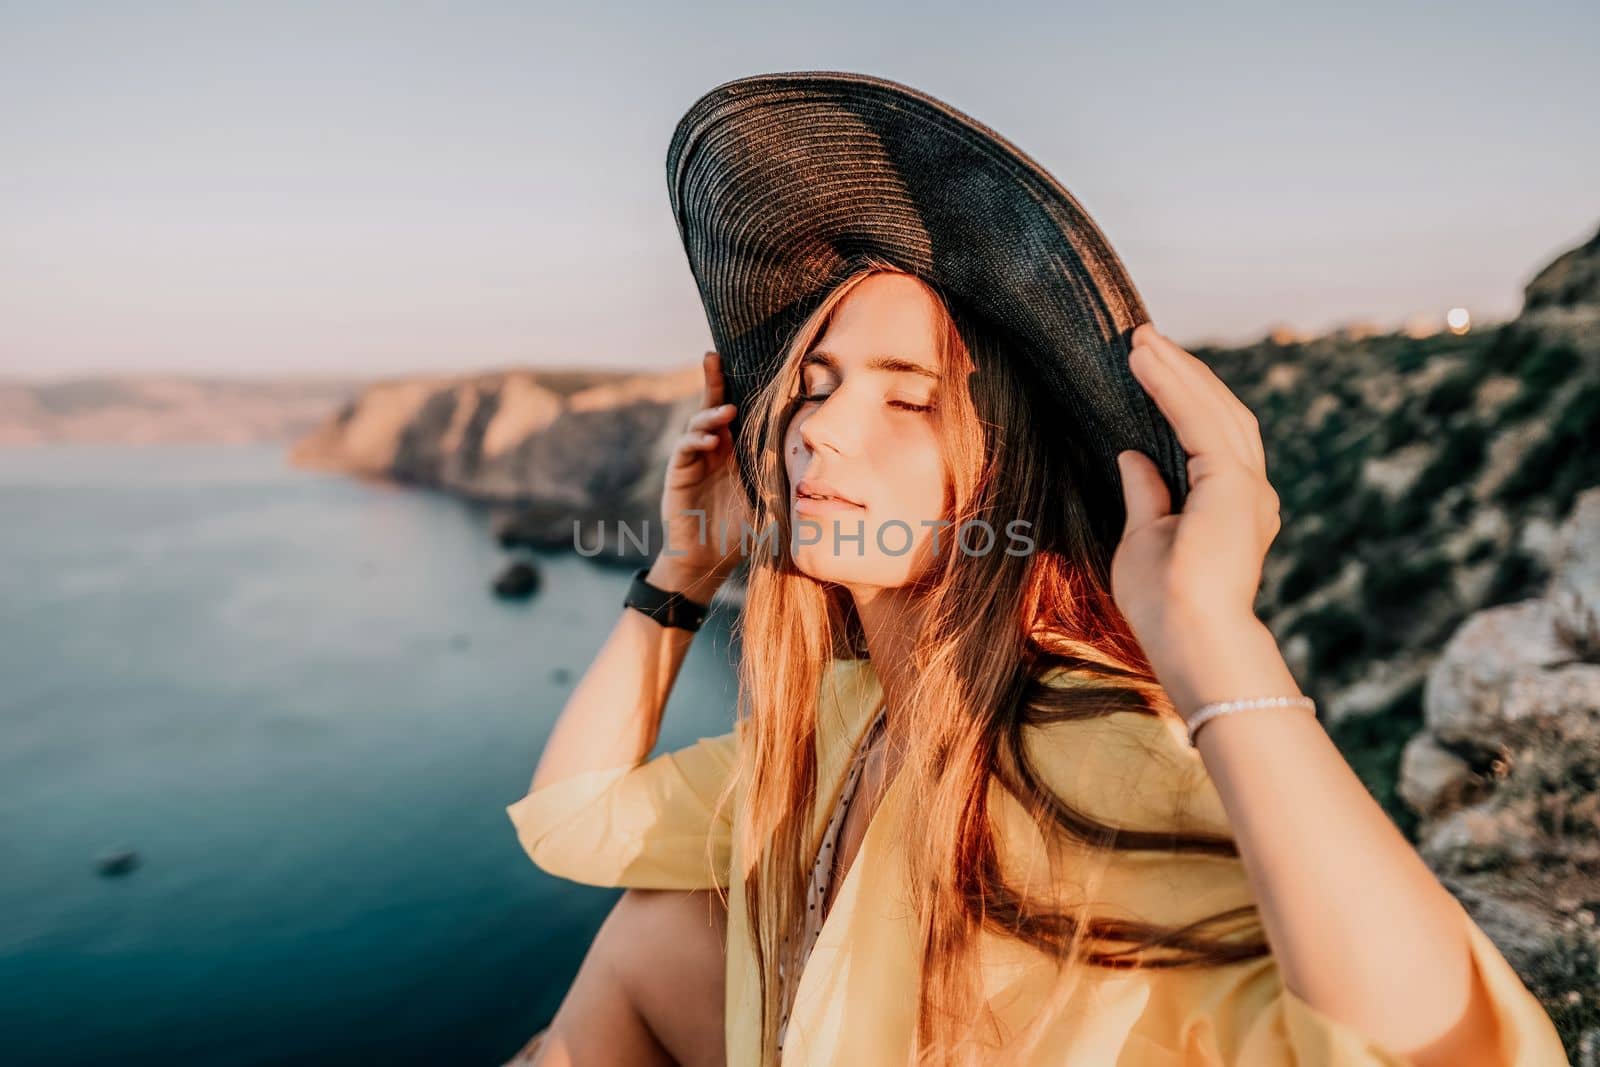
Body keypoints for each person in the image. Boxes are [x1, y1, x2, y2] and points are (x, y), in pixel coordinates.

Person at [504, 74, 1568, 1067]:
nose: (815, 431)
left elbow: (1444, 1050)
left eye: (907, 397)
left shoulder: (1086, 746)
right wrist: (684, 570)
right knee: (658, 927)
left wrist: (1209, 634)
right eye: (814, 387)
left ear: (1008, 469)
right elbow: (576, 818)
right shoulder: (846, 717)